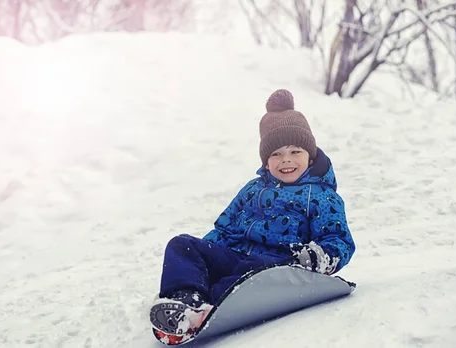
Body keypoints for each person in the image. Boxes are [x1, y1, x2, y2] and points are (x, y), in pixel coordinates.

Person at [150, 89, 356, 343]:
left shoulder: (322, 196)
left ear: (310, 155)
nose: (285, 160)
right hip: (235, 255)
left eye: (295, 152)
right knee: (182, 245)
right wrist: (204, 257)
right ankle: (184, 299)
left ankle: (203, 311)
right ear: (266, 161)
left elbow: (339, 239)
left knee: (232, 285)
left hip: (273, 266)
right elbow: (224, 228)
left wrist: (319, 258)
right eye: (276, 154)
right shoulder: (252, 189)